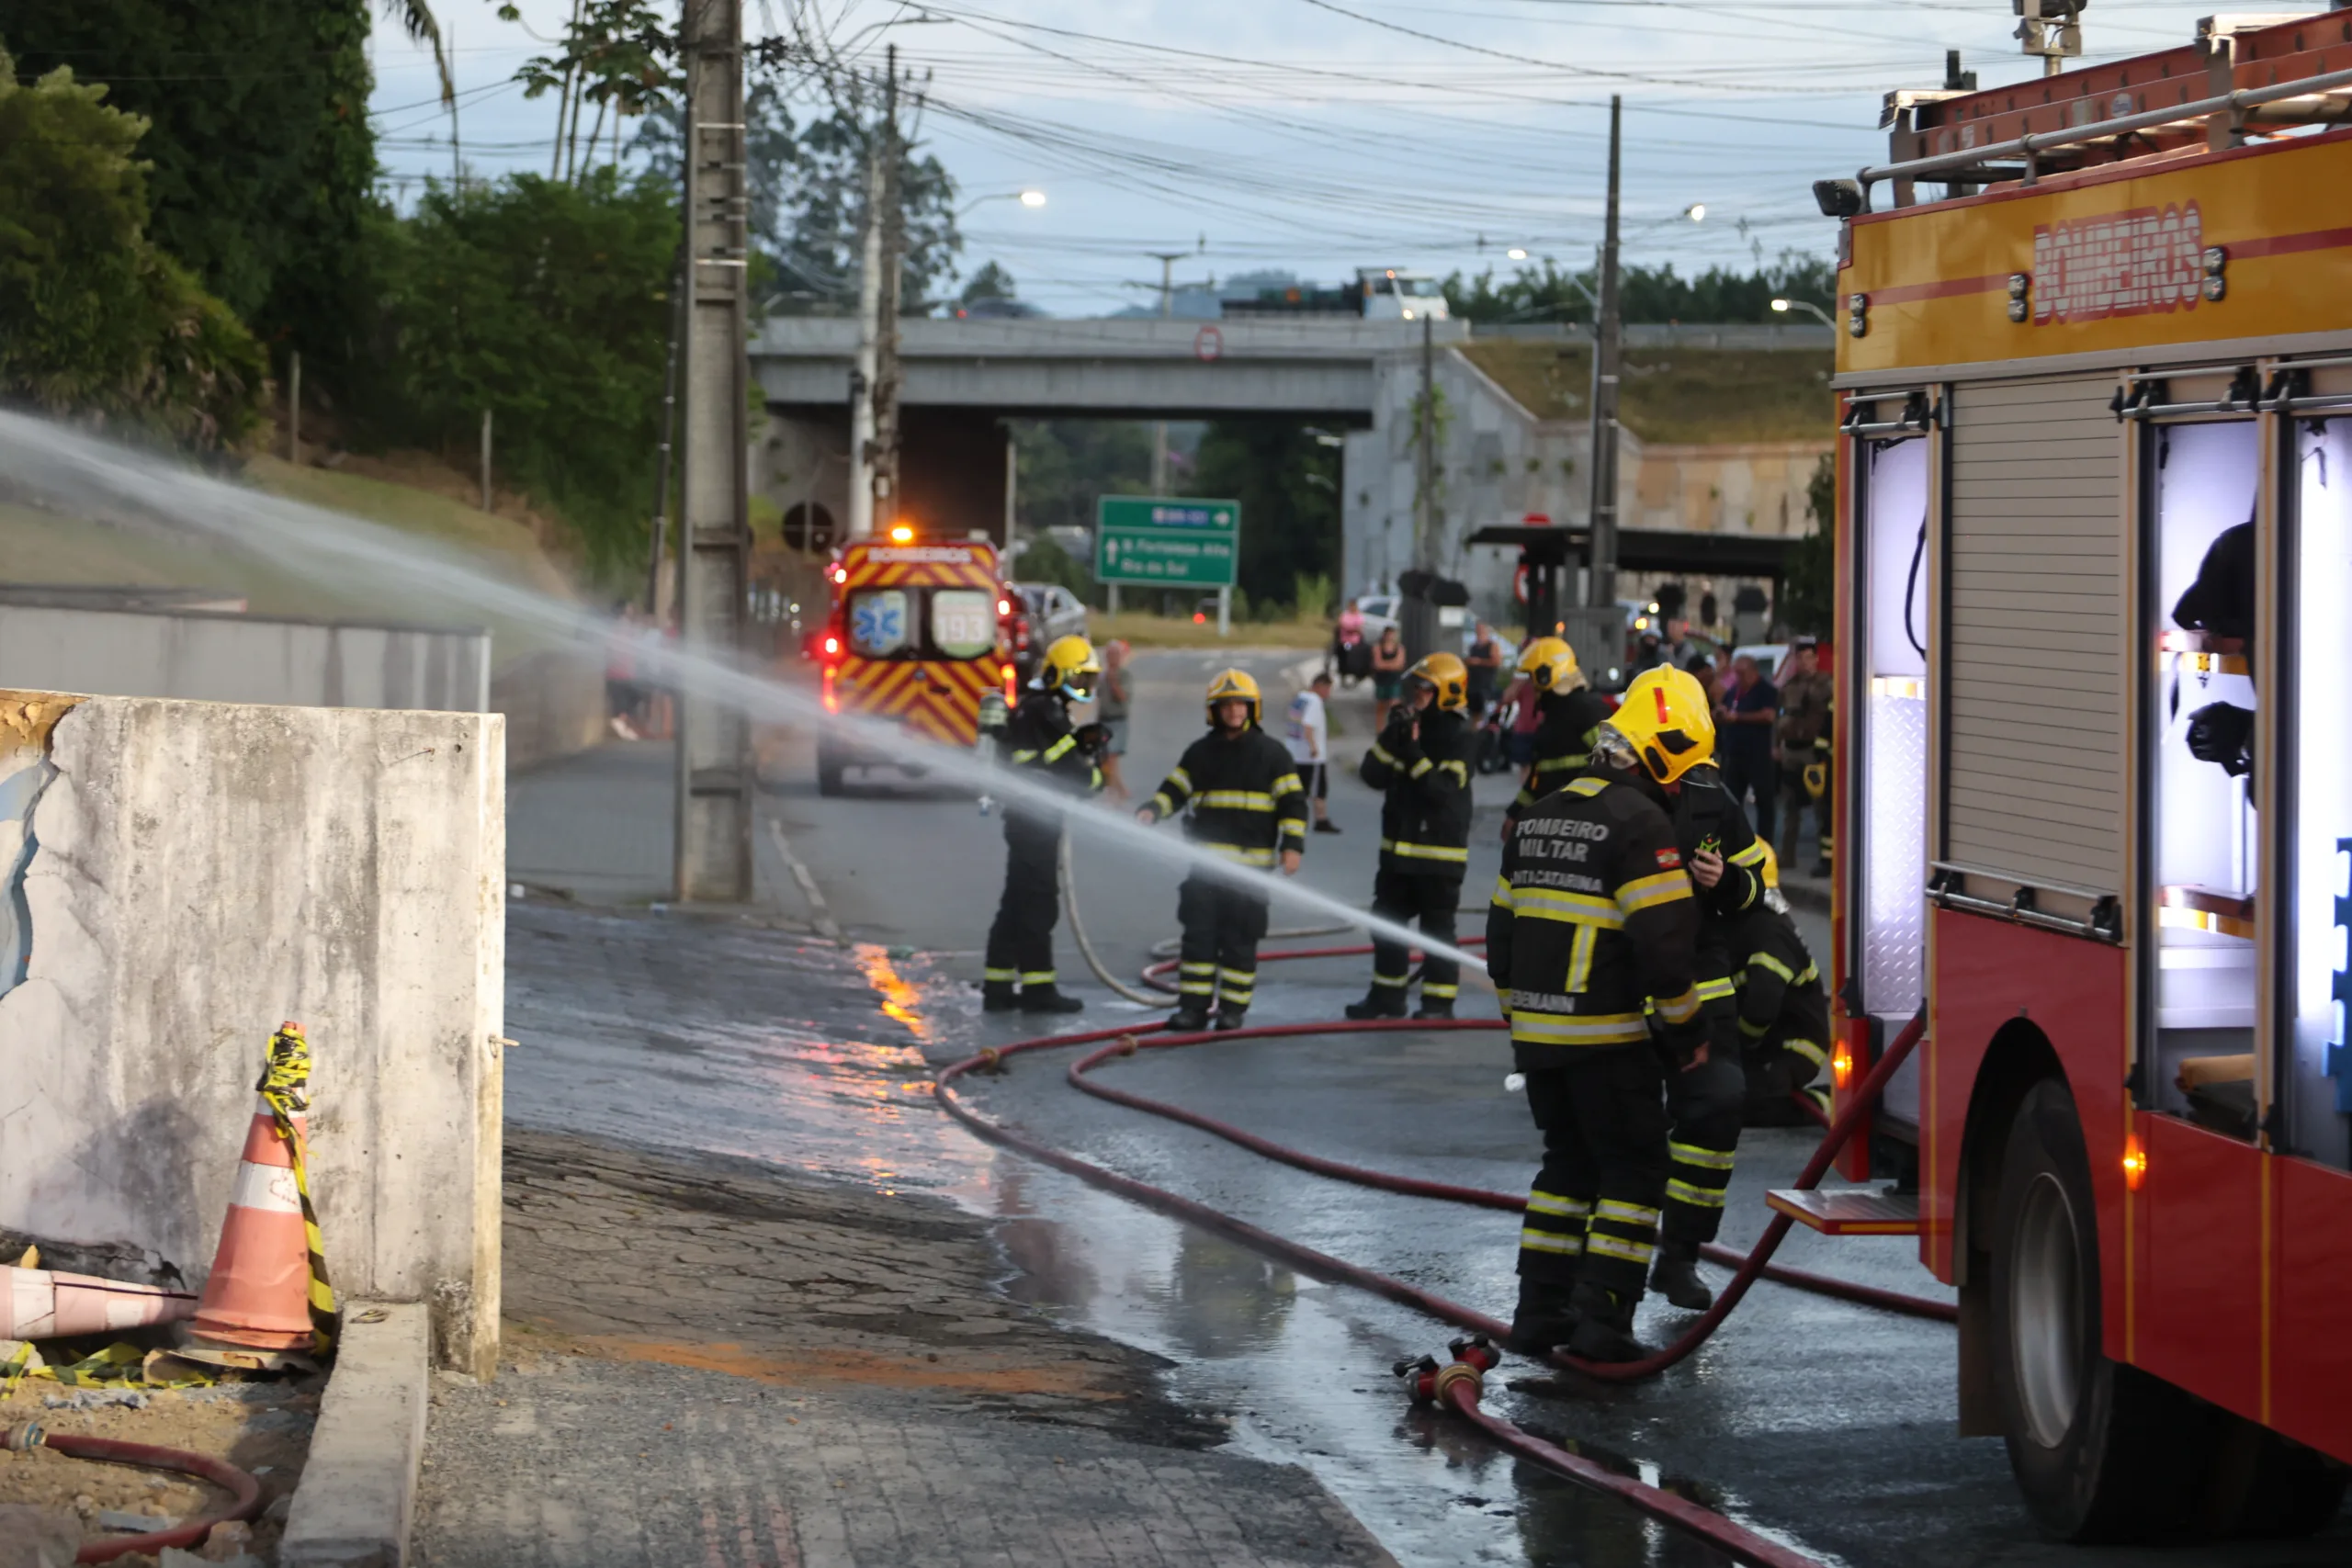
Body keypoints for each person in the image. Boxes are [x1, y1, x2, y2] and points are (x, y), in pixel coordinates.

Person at [1489, 680, 1708, 1362]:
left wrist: (1521, 1021)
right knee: (1635, 1173)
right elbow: (1665, 950)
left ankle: (1539, 1311)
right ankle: (1603, 1322)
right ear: (1661, 758)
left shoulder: (1538, 815)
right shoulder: (1643, 827)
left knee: (1566, 1168)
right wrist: (1688, 1035)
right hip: (1609, 1040)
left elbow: (1501, 935)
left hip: (1540, 1041)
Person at [1642, 665, 1773, 1312]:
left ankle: (1681, 1255)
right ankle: (1604, 1278)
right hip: (1629, 989)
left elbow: (1759, 895)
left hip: (1703, 981)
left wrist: (1725, 879)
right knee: (1629, 1130)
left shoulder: (1713, 798)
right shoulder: (1609, 795)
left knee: (1717, 1104)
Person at [1137, 670, 1308, 1032]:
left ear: (1252, 708)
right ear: (1214, 710)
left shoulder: (1273, 756)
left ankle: (1232, 1010)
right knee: (1198, 940)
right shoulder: (1200, 753)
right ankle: (1193, 1009)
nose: (1234, 711)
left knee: (1239, 943)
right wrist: (1152, 809)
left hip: (1250, 875)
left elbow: (1294, 804)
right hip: (1205, 872)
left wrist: (1292, 847)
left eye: (1240, 704)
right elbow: (1175, 788)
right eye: (1226, 704)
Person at [1347, 651, 1477, 1021]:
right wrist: (1393, 736)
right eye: (1415, 687)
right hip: (1397, 856)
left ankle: (1438, 1004)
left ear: (1447, 692)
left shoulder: (1460, 738)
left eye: (1424, 688)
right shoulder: (1406, 729)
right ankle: (1387, 998)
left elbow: (1441, 791)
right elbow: (1372, 775)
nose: (1415, 694)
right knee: (1386, 925)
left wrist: (1413, 751)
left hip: (1439, 858)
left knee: (1436, 932)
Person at [984, 636, 1106, 1015]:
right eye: (1080, 680)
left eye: (1089, 681)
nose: (1085, 689)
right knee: (1038, 903)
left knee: (1017, 901)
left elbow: (1047, 758)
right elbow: (1071, 773)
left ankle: (998, 986)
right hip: (1034, 820)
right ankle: (1039, 988)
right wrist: (1093, 771)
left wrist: (1080, 745)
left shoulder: (1034, 708)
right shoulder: (1047, 711)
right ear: (1058, 675)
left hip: (1024, 817)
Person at [1724, 854, 1832, 1127]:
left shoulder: (1767, 931)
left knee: (1753, 1105)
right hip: (1769, 1040)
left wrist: (1743, 1044)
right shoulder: (1748, 922)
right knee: (1724, 1095)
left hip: (1794, 1046)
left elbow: (1763, 999)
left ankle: (1830, 1104)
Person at [1503, 637, 1611, 837]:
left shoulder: (1585, 711)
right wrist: (1514, 813)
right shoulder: (1553, 717)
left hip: (1585, 824)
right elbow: (1539, 776)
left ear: (1546, 676)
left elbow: (1614, 762)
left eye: (1532, 677)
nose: (1531, 685)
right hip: (1557, 823)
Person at [1773, 637, 1833, 878]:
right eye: (1800, 658)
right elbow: (1780, 717)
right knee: (1790, 805)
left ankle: (1826, 858)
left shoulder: (1827, 684)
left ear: (1816, 659)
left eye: (1809, 657)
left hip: (1813, 751)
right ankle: (1787, 855)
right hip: (1791, 749)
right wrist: (1777, 745)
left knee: (1821, 807)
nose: (1804, 662)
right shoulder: (1790, 685)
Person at [1713, 653, 1779, 844]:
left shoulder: (1765, 691)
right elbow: (1725, 708)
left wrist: (1738, 717)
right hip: (1735, 754)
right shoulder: (1734, 691)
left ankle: (1766, 841)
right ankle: (1732, 841)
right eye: (1737, 673)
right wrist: (1720, 714)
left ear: (1753, 672)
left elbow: (1768, 716)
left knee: (1764, 801)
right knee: (1732, 800)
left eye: (1742, 673)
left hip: (1758, 755)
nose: (1739, 678)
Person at [1283, 671, 1340, 834]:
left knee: (1297, 789)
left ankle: (1291, 817)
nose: (1329, 693)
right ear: (1320, 686)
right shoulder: (1314, 702)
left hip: (1294, 752)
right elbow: (1307, 726)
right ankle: (1320, 820)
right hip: (1310, 756)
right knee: (1318, 790)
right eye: (1328, 689)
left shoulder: (1299, 698)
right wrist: (1314, 747)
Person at [1096, 638, 1135, 804]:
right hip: (1103, 721)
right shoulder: (1101, 676)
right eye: (1109, 654)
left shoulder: (1125, 676)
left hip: (1118, 721)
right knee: (1104, 760)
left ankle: (1112, 796)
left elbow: (1124, 697)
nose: (1111, 658)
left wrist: (1113, 682)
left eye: (1115, 654)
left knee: (1111, 756)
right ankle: (1122, 790)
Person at [1369, 624, 1408, 729]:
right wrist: (1391, 665)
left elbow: (1399, 664)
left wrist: (1385, 665)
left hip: (1394, 680)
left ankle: (1395, 728)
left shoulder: (1399, 648)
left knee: (1395, 705)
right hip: (1381, 680)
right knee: (1381, 707)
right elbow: (1377, 664)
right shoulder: (1378, 647)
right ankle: (1380, 730)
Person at [1465, 622, 1504, 716]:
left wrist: (1479, 662)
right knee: (1474, 712)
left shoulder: (1492, 645)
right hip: (1473, 685)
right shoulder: (1473, 647)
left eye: (1481, 630)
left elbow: (1497, 662)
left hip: (1486, 685)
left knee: (1484, 712)